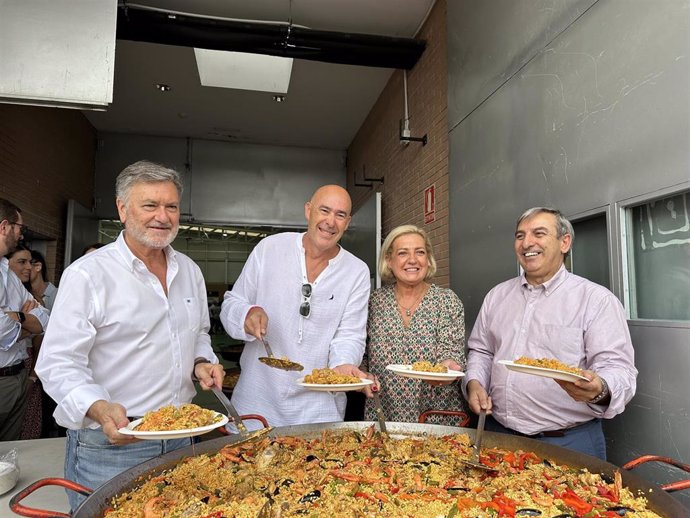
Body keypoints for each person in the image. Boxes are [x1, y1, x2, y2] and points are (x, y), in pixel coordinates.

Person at [36, 161, 224, 510]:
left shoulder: (190, 271)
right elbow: (58, 362)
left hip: (182, 434)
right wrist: (99, 408)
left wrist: (201, 361)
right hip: (115, 444)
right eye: (150, 205)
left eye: (171, 206)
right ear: (122, 209)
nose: (162, 216)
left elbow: (197, 332)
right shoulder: (89, 274)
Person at [463, 207, 637, 460]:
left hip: (569, 442)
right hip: (498, 437)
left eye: (539, 233)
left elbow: (618, 368)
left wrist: (600, 389)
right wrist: (475, 383)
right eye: (520, 235)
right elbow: (482, 350)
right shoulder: (497, 296)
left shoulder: (595, 300)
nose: (526, 243)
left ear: (564, 242)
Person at [221, 185, 372, 429]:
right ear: (308, 210)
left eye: (340, 215)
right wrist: (245, 314)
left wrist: (342, 366)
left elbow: (350, 334)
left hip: (318, 410)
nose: (330, 222)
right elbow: (232, 303)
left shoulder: (357, 271)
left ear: (348, 222)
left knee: (317, 464)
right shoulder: (270, 249)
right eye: (324, 210)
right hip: (257, 402)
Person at [364, 225, 467, 426]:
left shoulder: (446, 301)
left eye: (420, 252)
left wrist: (449, 368)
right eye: (403, 253)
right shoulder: (373, 302)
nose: (413, 260)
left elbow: (452, 353)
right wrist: (363, 374)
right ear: (388, 260)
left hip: (436, 417)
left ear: (428, 260)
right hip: (383, 413)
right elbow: (362, 355)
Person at [0, 199, 49, 441]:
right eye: (20, 228)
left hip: (17, 378)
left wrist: (18, 317)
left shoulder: (7, 274)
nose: (21, 235)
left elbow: (44, 319)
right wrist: (27, 326)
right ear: (4, 227)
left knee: (9, 455)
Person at [6, 245, 44, 440]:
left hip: (26, 369)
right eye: (22, 262)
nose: (28, 267)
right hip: (12, 371)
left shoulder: (33, 299)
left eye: (31, 262)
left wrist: (16, 318)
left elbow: (44, 327)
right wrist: (27, 321)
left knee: (20, 436)